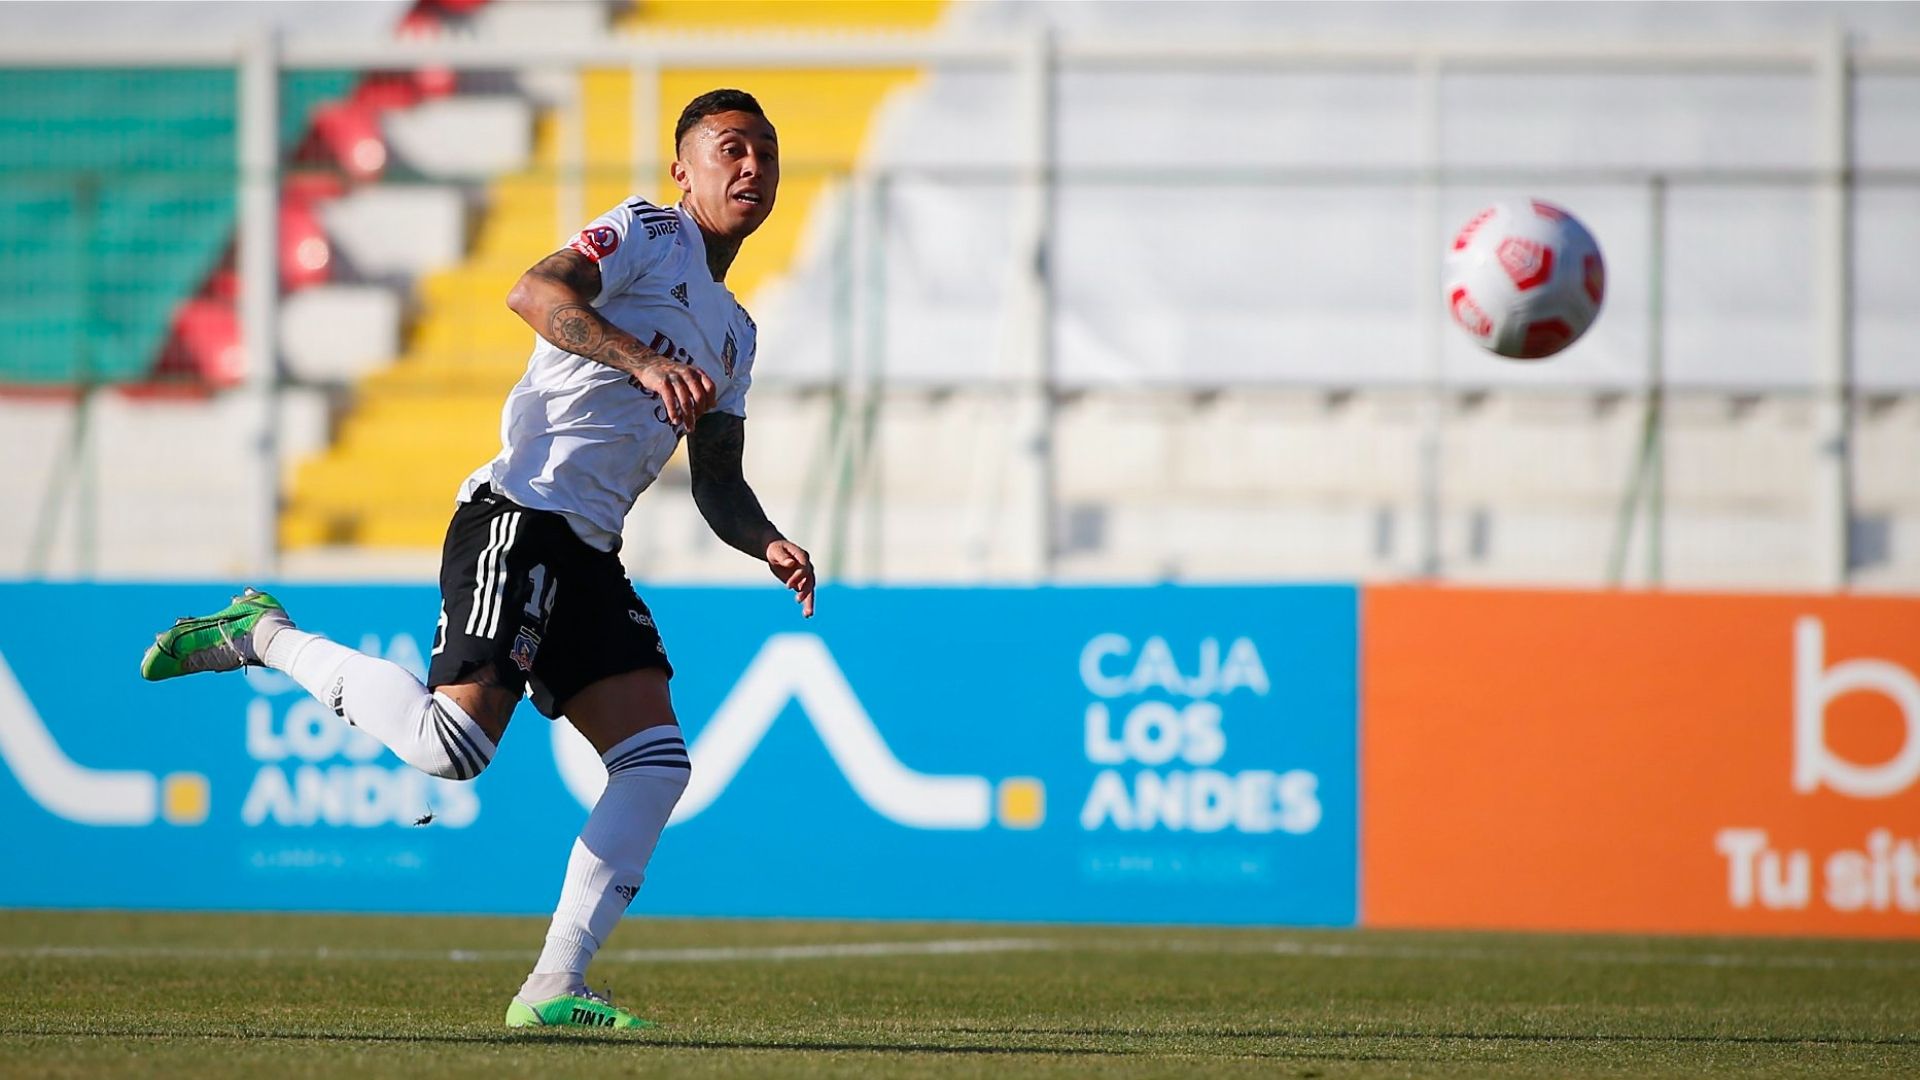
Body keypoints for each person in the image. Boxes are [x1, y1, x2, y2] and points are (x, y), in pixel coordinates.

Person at [140, 88, 813, 1030]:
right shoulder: (648, 232)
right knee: (451, 751)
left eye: (766, 153)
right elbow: (534, 292)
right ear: (683, 169)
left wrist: (766, 539)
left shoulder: (736, 330)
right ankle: (262, 635)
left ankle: (553, 987)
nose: (751, 167)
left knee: (656, 763)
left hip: (590, 554)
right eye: (730, 148)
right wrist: (640, 360)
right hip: (521, 516)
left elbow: (717, 483)